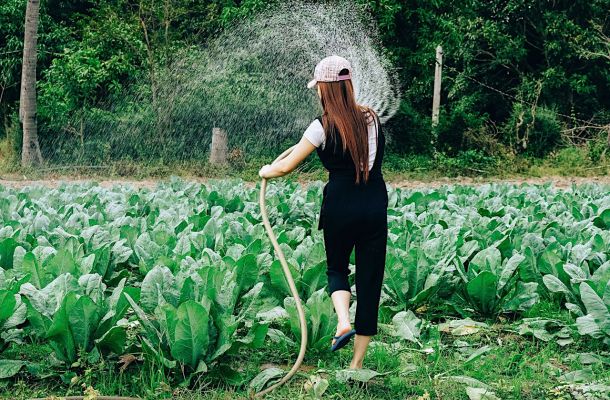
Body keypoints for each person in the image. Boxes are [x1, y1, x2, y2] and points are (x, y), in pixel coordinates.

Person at [258, 55, 388, 370]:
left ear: (325, 90)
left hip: (340, 205)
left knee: (337, 269)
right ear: (349, 86)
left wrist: (266, 171)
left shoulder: (321, 126)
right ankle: (356, 365)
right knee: (370, 280)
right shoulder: (371, 117)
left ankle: (343, 321)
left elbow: (286, 166)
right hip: (373, 203)